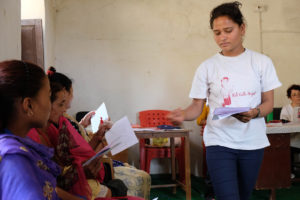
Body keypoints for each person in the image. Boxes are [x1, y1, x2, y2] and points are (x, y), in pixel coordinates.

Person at [167, 2, 281, 200]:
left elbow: (268, 103)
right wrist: (183, 114)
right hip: (219, 141)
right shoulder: (207, 67)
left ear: (242, 28)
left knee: (243, 196)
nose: (222, 37)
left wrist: (254, 113)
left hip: (252, 143)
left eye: (228, 30)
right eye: (217, 32)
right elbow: (197, 106)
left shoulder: (262, 62)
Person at [49, 67, 151, 200]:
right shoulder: (53, 128)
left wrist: (97, 138)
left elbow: (80, 152)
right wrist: (81, 172)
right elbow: (57, 181)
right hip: (81, 182)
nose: (67, 107)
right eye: (61, 103)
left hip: (85, 175)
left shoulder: (63, 121)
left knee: (117, 185)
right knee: (118, 186)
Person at [0, 60, 60, 200]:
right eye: (48, 96)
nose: (50, 105)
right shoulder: (15, 161)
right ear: (29, 105)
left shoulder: (17, 144)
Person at [280, 84, 300, 178]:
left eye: (299, 94)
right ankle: (290, 171)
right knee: (286, 148)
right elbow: (283, 124)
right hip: (291, 140)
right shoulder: (286, 109)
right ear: (290, 97)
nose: (298, 97)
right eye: (294, 95)